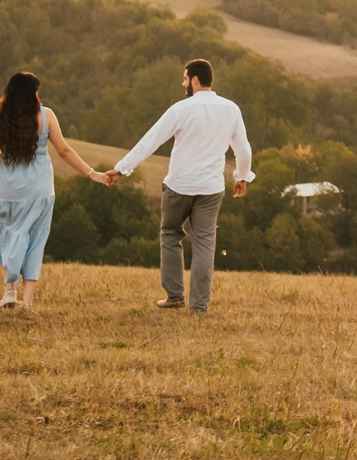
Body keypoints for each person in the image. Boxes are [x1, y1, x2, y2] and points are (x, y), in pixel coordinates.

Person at [106, 57, 254, 313]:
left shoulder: (181, 109)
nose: (183, 83)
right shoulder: (230, 109)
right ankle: (199, 306)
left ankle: (175, 296)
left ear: (195, 80)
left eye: (185, 79)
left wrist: (122, 168)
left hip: (179, 185)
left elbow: (150, 141)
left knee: (171, 235)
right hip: (211, 188)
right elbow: (243, 148)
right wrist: (241, 177)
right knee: (205, 243)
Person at [0, 70, 109, 313]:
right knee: (36, 239)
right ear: (31, 94)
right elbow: (64, 151)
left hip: (8, 190)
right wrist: (92, 173)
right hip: (40, 189)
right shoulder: (46, 116)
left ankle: (9, 288)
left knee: (12, 236)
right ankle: (27, 301)